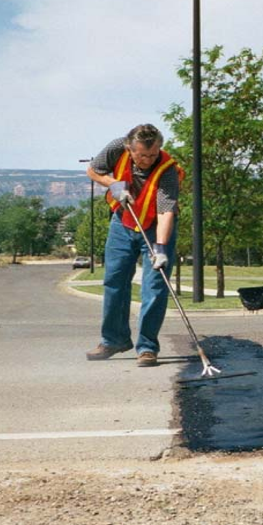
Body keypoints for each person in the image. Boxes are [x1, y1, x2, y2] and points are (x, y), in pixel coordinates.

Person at [84, 124, 184, 367]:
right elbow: (93, 170)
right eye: (141, 155)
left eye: (152, 154)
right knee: (114, 281)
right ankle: (113, 340)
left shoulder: (167, 170)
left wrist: (160, 248)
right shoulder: (117, 148)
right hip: (123, 222)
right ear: (130, 149)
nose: (147, 160)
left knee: (155, 286)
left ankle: (147, 347)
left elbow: (165, 212)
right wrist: (113, 184)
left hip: (154, 227)